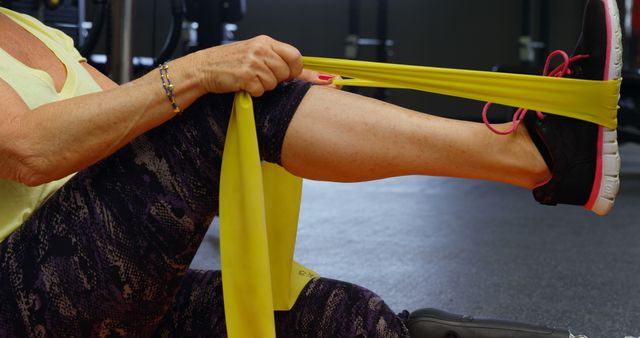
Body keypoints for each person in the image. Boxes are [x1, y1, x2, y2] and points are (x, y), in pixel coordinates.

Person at [0, 0, 619, 336]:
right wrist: (200, 73)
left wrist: (273, 102)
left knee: (345, 319)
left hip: (99, 287)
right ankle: (540, 158)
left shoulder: (33, 31)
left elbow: (139, 136)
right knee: (214, 98)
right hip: (21, 299)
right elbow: (27, 150)